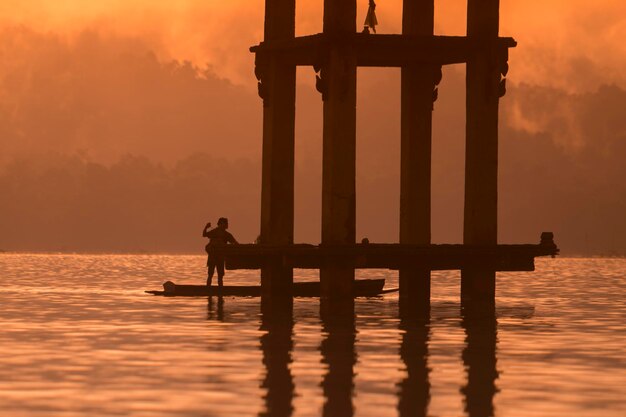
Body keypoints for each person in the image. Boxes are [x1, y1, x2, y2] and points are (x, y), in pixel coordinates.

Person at [202, 217, 238, 291]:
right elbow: (204, 234)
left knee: (215, 275)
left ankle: (213, 290)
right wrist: (206, 227)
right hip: (215, 257)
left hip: (218, 258)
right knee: (214, 275)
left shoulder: (225, 234)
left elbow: (204, 234)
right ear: (221, 223)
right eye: (226, 223)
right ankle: (216, 291)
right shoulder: (220, 233)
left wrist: (206, 227)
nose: (227, 225)